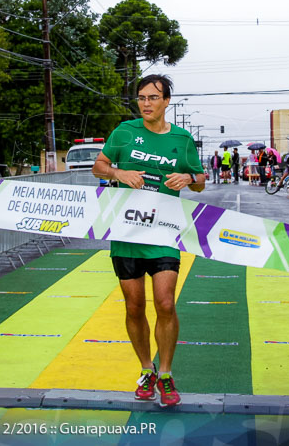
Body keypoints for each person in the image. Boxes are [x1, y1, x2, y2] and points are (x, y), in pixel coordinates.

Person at [92, 74, 204, 407]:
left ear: (167, 101)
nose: (146, 103)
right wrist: (117, 173)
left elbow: (200, 180)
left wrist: (188, 177)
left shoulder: (182, 139)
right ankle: (147, 369)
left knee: (166, 303)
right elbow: (99, 166)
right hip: (126, 233)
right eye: (141, 97)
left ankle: (166, 375)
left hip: (165, 232)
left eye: (153, 97)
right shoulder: (123, 133)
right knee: (134, 306)